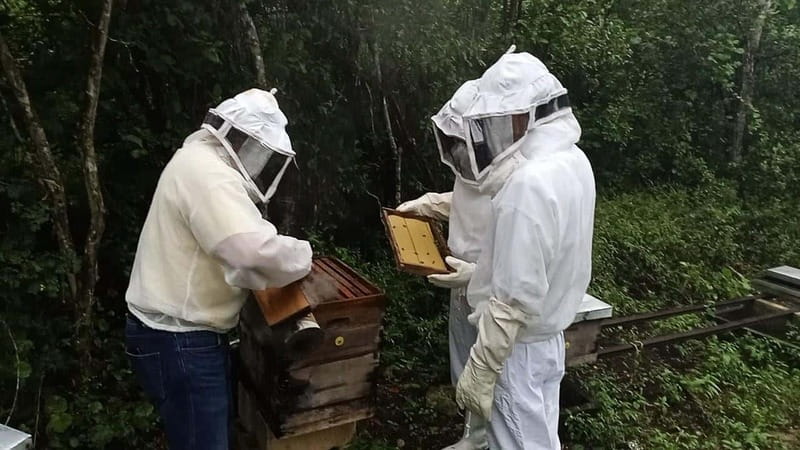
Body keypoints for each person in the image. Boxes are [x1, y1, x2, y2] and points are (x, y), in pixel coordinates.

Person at [124, 88, 313, 450]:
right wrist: (303, 255)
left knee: (198, 435)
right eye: (258, 150)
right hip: (181, 339)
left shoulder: (195, 159)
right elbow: (250, 252)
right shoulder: (208, 176)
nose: (259, 159)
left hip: (169, 335)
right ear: (239, 139)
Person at [450, 51, 596, 449]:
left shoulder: (527, 185)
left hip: (514, 349)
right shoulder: (573, 161)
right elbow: (542, 255)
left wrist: (483, 367)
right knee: (540, 433)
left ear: (527, 117)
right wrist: (477, 275)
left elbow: (515, 299)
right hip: (546, 338)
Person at [398, 80, 493, 450]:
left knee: (491, 367)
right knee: (465, 361)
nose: (456, 150)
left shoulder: (515, 172)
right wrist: (427, 205)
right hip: (458, 278)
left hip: (493, 289)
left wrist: (480, 276)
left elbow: (514, 233)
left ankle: (490, 438)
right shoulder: (469, 160)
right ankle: (473, 435)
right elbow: (464, 200)